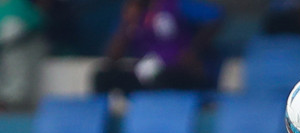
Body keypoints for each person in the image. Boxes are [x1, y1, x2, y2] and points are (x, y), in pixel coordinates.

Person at [92, 0, 222, 95]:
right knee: (102, 77)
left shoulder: (175, 5)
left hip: (178, 70)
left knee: (159, 78)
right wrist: (127, 22)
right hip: (147, 71)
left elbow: (215, 17)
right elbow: (112, 57)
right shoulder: (133, 14)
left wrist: (193, 50)